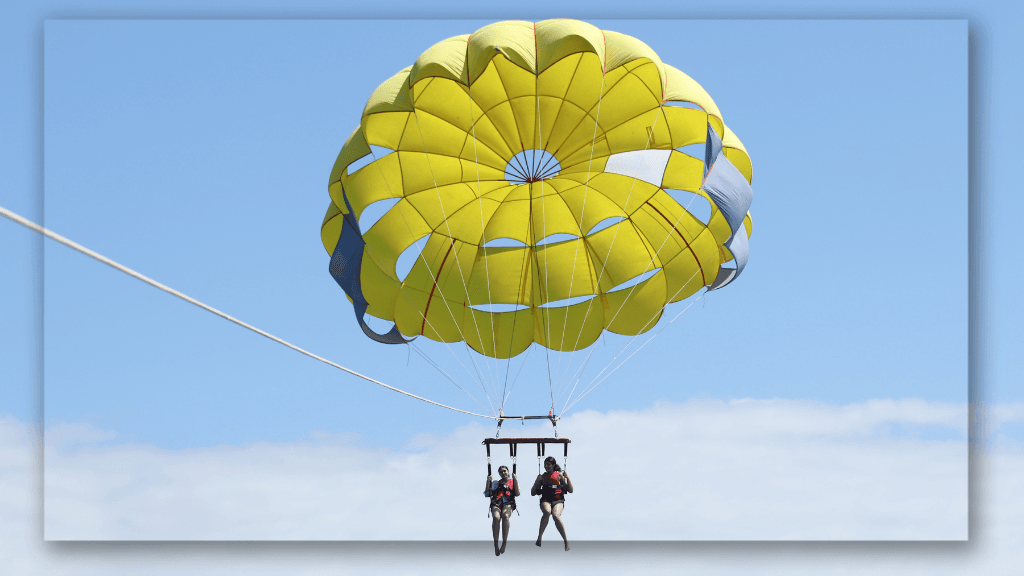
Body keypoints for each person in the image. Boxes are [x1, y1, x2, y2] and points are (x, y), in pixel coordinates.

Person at [531, 456, 573, 551]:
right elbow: (532, 492)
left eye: (548, 464)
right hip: (546, 499)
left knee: (556, 515)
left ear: (553, 465)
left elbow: (570, 490)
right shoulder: (542, 477)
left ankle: (565, 540)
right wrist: (537, 481)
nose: (546, 466)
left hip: (558, 499)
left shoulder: (559, 475)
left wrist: (567, 477)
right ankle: (539, 537)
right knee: (547, 512)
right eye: (545, 465)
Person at [484, 465, 519, 556]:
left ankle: (504, 542)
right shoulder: (496, 483)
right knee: (496, 517)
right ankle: (496, 545)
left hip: (508, 503)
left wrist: (516, 480)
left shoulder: (512, 481)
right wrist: (488, 481)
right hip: (497, 503)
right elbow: (487, 493)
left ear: (508, 471)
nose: (503, 473)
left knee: (506, 516)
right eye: (501, 472)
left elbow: (517, 493)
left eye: (504, 471)